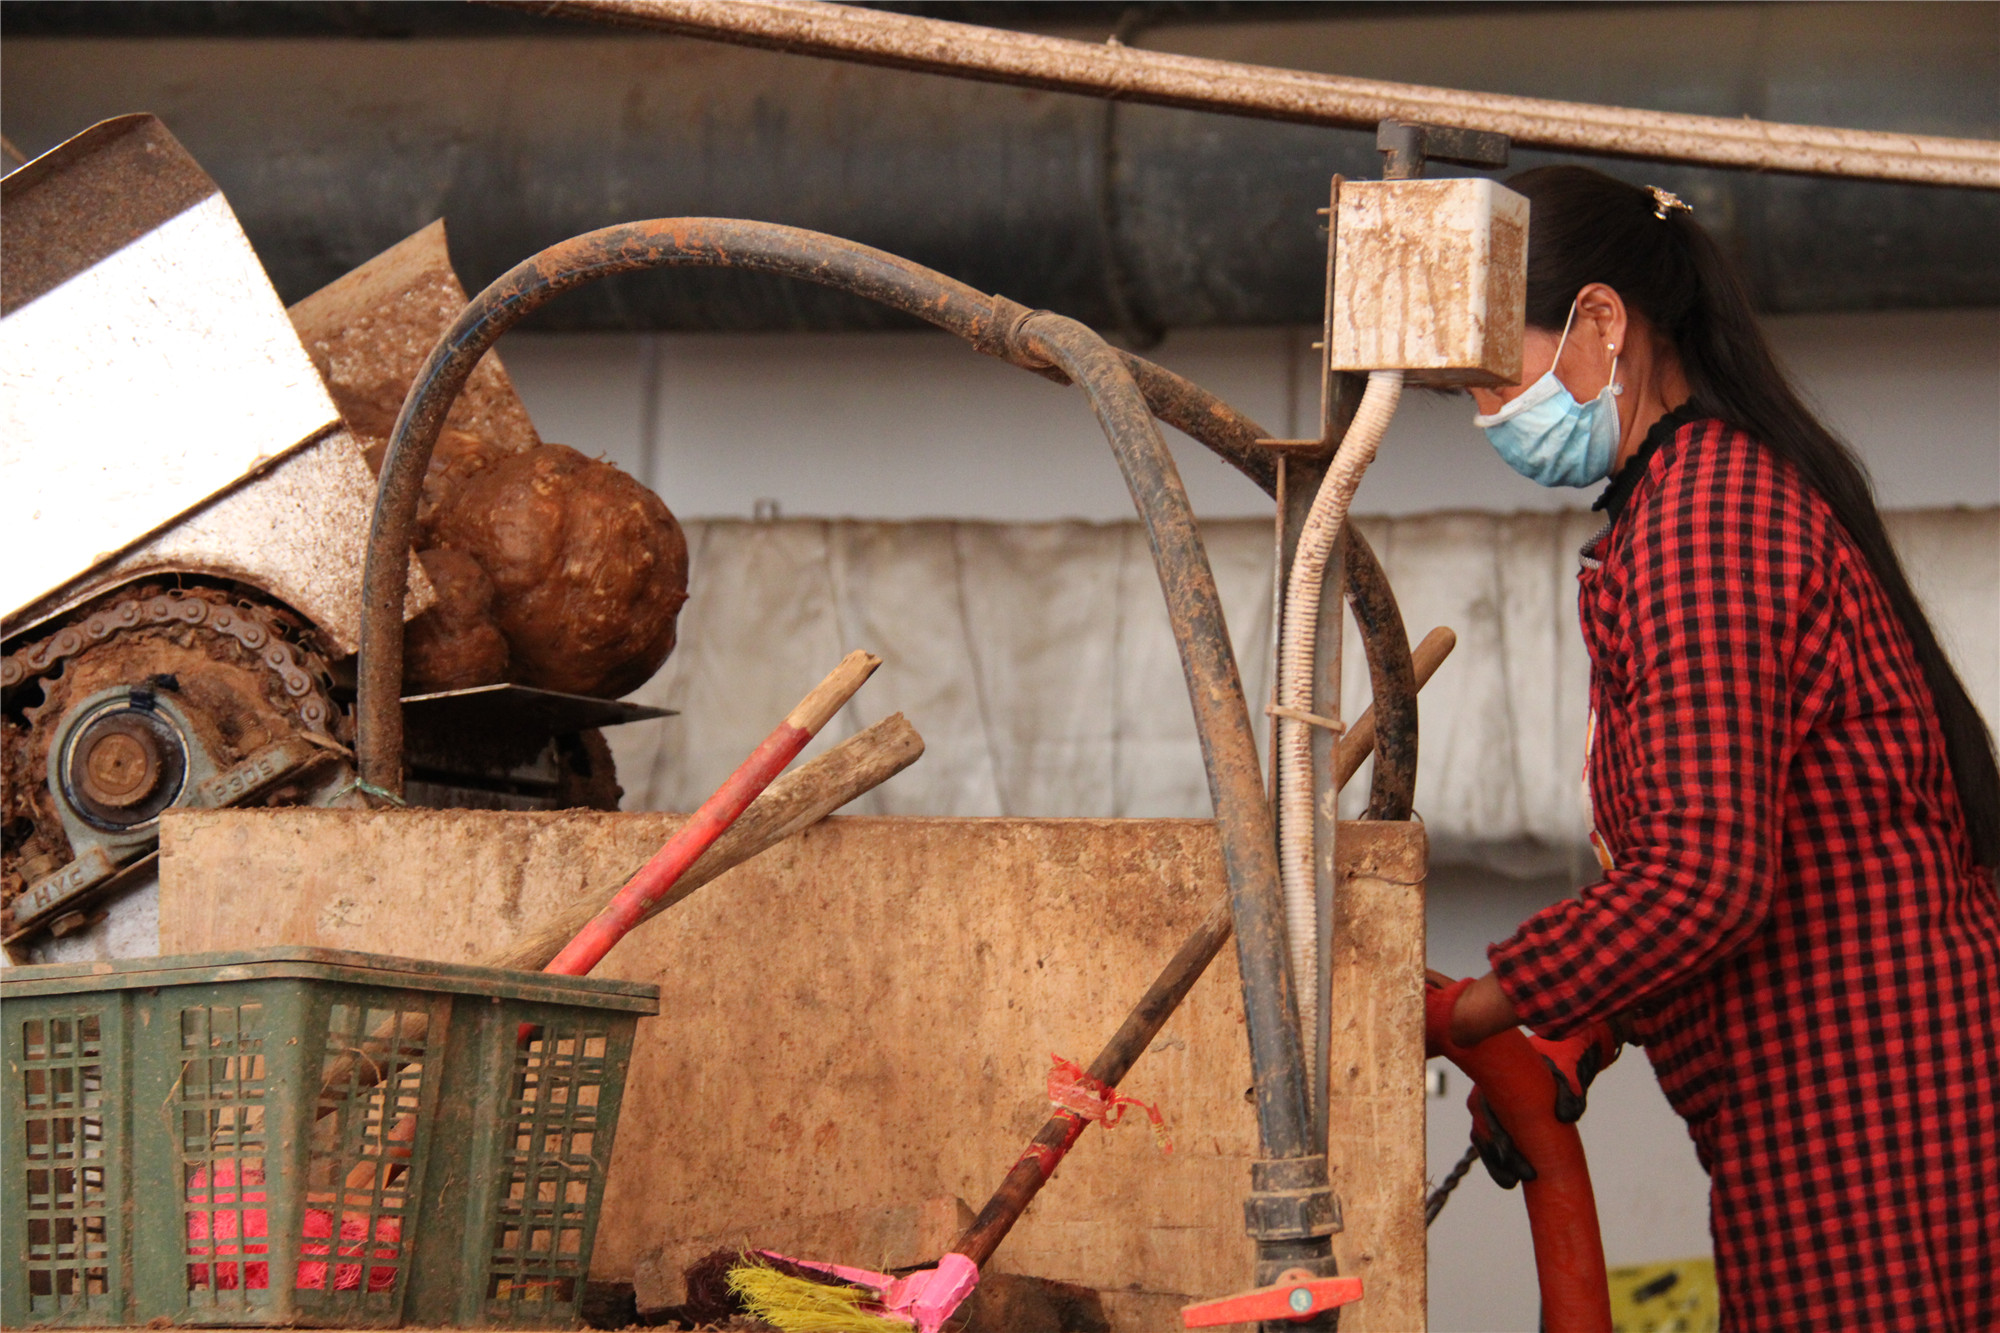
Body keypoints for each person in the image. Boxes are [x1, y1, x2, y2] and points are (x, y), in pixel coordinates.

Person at [1431, 165, 2000, 1331]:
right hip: (1833, 1110)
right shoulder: (1683, 504)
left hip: (1875, 1114)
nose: (1488, 413)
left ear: (1600, 322)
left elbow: (1702, 880)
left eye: (1494, 376)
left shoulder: (1706, 518)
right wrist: (1584, 1020)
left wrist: (1468, 1013)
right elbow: (1751, 847)